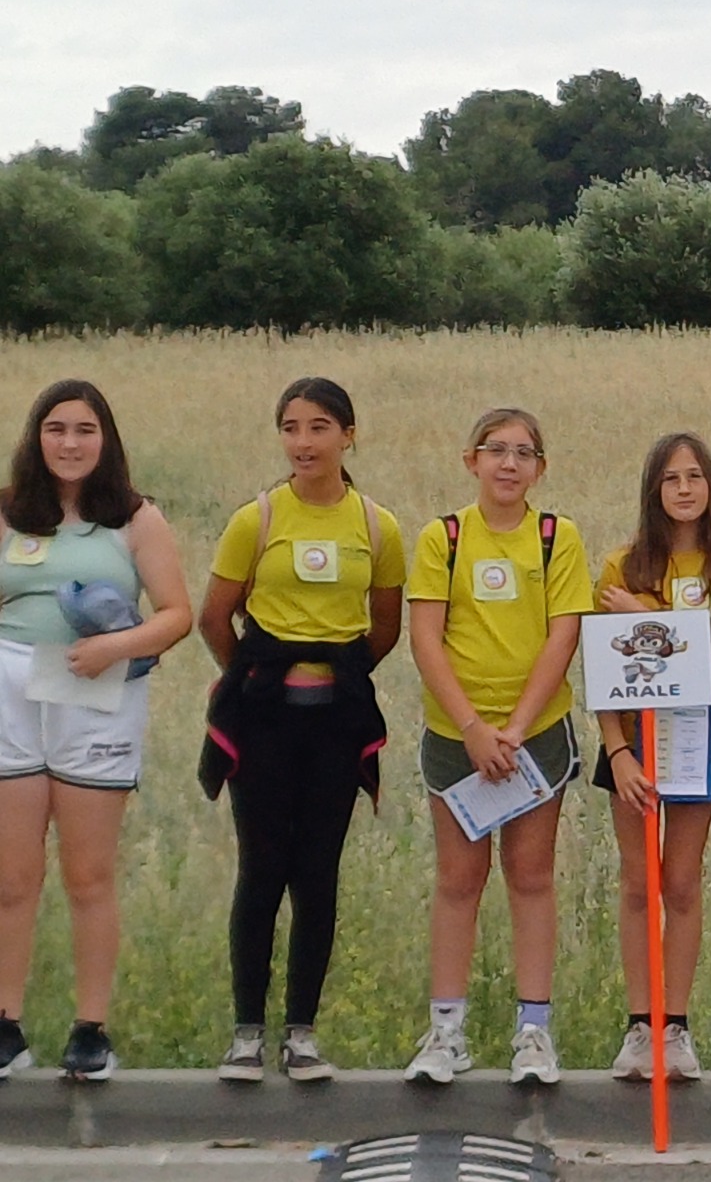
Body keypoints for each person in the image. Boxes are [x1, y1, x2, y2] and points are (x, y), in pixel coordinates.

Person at [199, 377, 405, 1083]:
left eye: (319, 427)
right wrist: (255, 678)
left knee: (317, 873)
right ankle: (246, 1035)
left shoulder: (377, 527)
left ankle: (303, 1034)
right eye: (290, 427)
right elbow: (214, 618)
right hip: (264, 721)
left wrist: (334, 675)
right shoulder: (254, 520)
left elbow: (384, 628)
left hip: (335, 723)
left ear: (349, 435)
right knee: (261, 871)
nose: (303, 442)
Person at [0, 380, 191, 1082]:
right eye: (56, 429)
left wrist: (117, 646)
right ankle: (6, 1024)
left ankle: (91, 1028)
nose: (70, 443)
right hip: (12, 691)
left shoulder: (136, 518)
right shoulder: (8, 512)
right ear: (36, 437)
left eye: (84, 430)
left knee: (88, 872)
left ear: (105, 439)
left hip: (96, 692)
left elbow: (176, 614)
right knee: (12, 874)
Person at [402, 408, 590, 1086]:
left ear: (541, 468)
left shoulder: (556, 537)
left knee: (531, 876)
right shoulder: (443, 538)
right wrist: (474, 728)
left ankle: (533, 1033)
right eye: (496, 450)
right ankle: (446, 1032)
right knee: (458, 880)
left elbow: (564, 634)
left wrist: (514, 726)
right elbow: (425, 637)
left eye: (523, 453)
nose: (509, 464)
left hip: (535, 735)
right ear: (471, 460)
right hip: (457, 737)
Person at [593, 432, 711, 1083]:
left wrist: (642, 618)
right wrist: (617, 752)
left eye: (695, 476)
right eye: (671, 478)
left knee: (681, 883)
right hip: (632, 749)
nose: (684, 489)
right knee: (639, 883)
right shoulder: (620, 566)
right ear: (653, 489)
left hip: (696, 744)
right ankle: (640, 1025)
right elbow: (602, 670)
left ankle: (675, 1027)